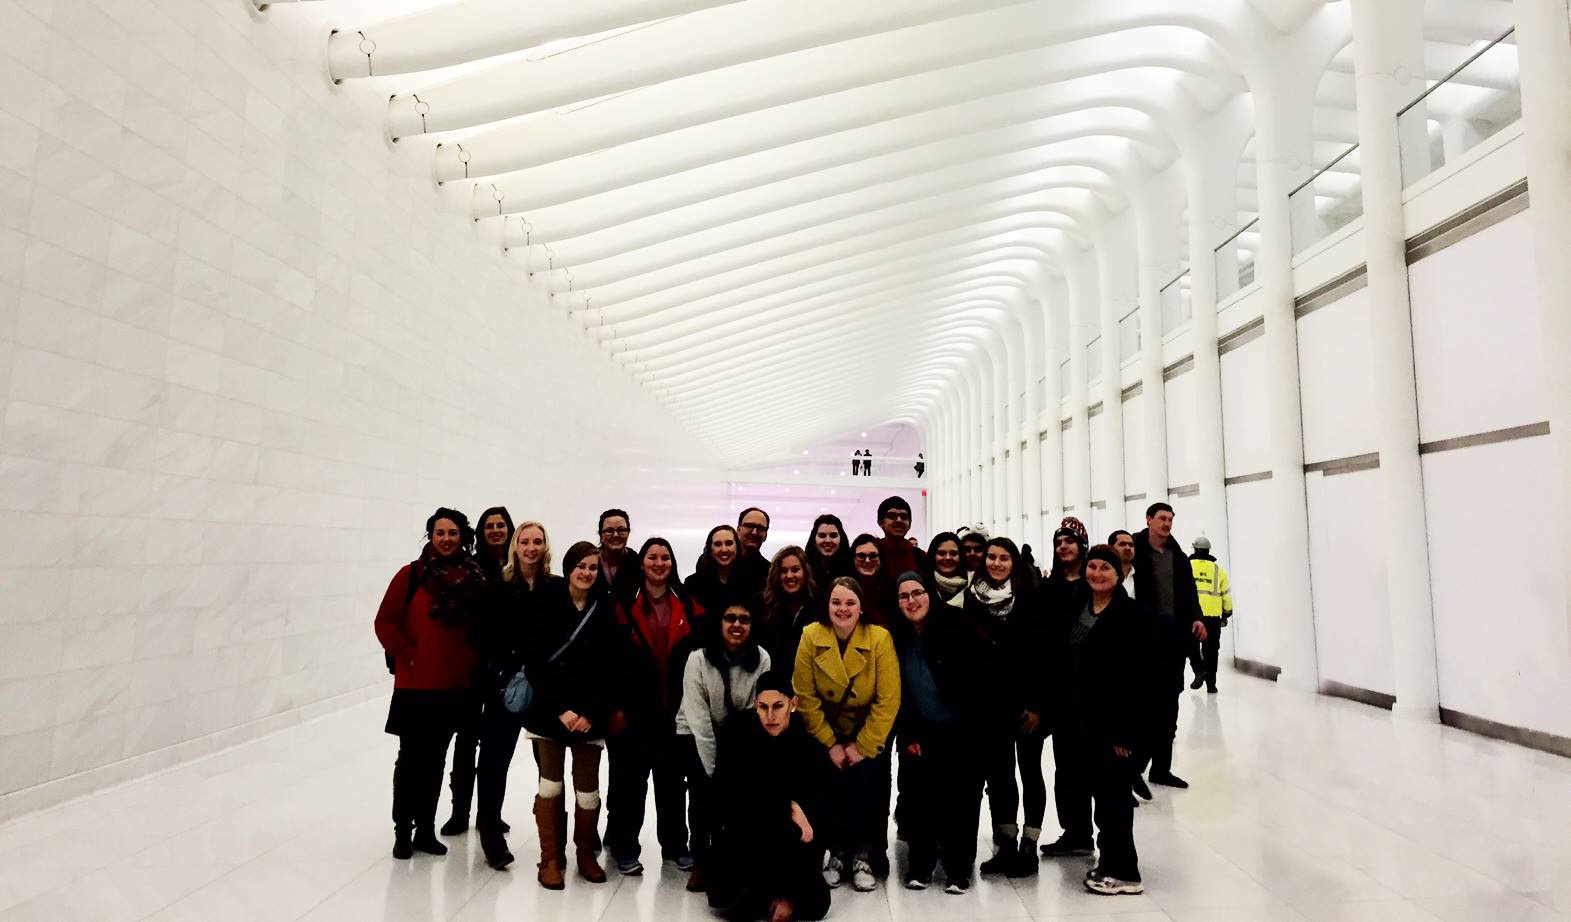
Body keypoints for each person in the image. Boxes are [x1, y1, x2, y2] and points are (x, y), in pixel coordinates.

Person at [1042, 544, 1157, 896]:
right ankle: (1108, 859)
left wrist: (1128, 736)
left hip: (1113, 727)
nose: (1097, 573)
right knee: (1097, 793)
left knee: (1113, 801)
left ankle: (1124, 871)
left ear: (1119, 575)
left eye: (1105, 568)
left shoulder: (1132, 617)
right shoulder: (1081, 607)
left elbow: (1141, 681)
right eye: (1092, 566)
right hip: (1082, 721)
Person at [374, 508, 487, 860]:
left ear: (462, 536)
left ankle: (425, 829)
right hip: (415, 686)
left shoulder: (474, 577)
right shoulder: (410, 575)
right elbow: (385, 622)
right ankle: (402, 831)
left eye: (452, 533)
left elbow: (483, 626)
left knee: (436, 760)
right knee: (410, 759)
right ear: (430, 536)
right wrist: (409, 654)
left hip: (454, 687)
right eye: (440, 533)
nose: (446, 539)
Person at [792, 577, 901, 893]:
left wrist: (862, 746)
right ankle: (837, 853)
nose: (843, 609)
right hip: (825, 730)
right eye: (836, 602)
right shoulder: (811, 636)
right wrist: (830, 744)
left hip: (867, 731)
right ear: (827, 606)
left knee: (868, 790)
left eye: (850, 602)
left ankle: (863, 855)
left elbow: (888, 698)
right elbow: (805, 695)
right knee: (830, 791)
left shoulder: (879, 638)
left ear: (861, 607)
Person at [517, 540, 616, 888]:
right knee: (550, 785)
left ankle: (585, 854)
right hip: (550, 714)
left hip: (589, 717)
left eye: (593, 567)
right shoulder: (546, 603)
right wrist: (561, 709)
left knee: (588, 789)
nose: (586, 573)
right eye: (580, 566)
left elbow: (611, 667)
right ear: (568, 568)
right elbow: (534, 662)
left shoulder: (605, 608)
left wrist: (590, 712)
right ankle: (550, 858)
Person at [706, 671, 834, 922]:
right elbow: (728, 798)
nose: (770, 716)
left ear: (792, 704)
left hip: (790, 847)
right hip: (748, 839)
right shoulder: (738, 737)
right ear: (755, 706)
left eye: (778, 706)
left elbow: (817, 819)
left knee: (818, 902)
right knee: (729, 895)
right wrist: (787, 808)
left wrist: (796, 818)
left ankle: (779, 897)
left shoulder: (809, 749)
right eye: (763, 707)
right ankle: (770, 897)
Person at [953, 537, 1047, 877]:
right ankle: (1006, 843)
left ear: (1014, 563)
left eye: (1003, 558)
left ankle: (1029, 844)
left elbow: (1043, 654)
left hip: (1026, 704)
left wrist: (1037, 704)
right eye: (991, 557)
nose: (995, 563)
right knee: (1001, 775)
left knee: (1030, 771)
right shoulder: (971, 597)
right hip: (990, 704)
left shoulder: (1029, 598)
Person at [607, 537, 699, 874]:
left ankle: (675, 846)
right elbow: (611, 662)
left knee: (672, 784)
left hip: (673, 712)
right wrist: (616, 707)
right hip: (633, 712)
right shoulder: (622, 604)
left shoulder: (687, 604)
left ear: (672, 563)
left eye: (665, 557)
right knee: (629, 784)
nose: (659, 563)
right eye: (652, 557)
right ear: (642, 563)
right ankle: (624, 847)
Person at [890, 571, 986, 894]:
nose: (912, 601)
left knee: (961, 800)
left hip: (962, 730)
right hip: (922, 731)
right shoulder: (897, 636)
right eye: (904, 596)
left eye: (917, 593)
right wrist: (909, 734)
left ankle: (958, 869)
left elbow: (979, 678)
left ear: (930, 594)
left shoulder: (956, 625)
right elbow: (897, 692)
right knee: (921, 800)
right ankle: (921, 865)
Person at [468, 519, 556, 870]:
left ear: (545, 546)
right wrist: (503, 670)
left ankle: (554, 834)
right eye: (525, 541)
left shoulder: (555, 589)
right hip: (504, 688)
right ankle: (490, 833)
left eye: (538, 541)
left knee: (548, 765)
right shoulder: (496, 590)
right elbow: (478, 635)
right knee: (494, 760)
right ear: (515, 547)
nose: (531, 548)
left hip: (544, 690)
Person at [677, 601, 772, 892]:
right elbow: (698, 717)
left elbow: (755, 711)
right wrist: (712, 769)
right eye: (730, 618)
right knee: (702, 795)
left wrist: (732, 760)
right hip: (694, 732)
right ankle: (700, 860)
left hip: (739, 732)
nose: (737, 625)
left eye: (744, 619)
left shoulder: (762, 659)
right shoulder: (698, 659)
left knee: (737, 794)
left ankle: (730, 856)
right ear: (719, 623)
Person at [439, 505, 512, 837]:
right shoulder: (471, 567)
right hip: (473, 666)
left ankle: (489, 813)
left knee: (496, 747)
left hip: (504, 669)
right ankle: (460, 812)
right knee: (467, 741)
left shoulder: (517, 566)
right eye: (489, 525)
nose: (495, 530)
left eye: (501, 525)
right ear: (481, 532)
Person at [1132, 503, 1208, 790]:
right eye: (1162, 518)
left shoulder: (1178, 556)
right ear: (1148, 520)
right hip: (1143, 642)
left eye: (1170, 519)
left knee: (1169, 709)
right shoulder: (1134, 551)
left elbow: (1190, 593)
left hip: (1173, 641)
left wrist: (1197, 618)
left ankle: (1161, 769)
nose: (1167, 523)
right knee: (1144, 709)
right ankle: (1133, 768)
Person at [760, 545, 821, 675]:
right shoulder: (765, 608)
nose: (789, 575)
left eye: (795, 569)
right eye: (783, 571)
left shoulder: (819, 607)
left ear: (805, 571)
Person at [1187, 536, 1233, 694]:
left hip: (1193, 616)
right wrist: (1227, 613)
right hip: (1213, 617)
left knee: (1192, 646)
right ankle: (1211, 685)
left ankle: (1199, 671)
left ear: (1195, 549)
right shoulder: (1219, 570)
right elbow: (1226, 595)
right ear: (1208, 551)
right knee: (1212, 651)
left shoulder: (1187, 566)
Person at [685, 524, 757, 617]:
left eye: (729, 543)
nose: (724, 549)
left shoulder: (753, 580)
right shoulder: (693, 583)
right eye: (718, 544)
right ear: (710, 550)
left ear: (737, 547)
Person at [875, 496, 928, 582]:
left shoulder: (920, 556)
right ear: (881, 523)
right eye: (892, 516)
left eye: (904, 516)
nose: (899, 520)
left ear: (909, 524)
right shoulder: (872, 555)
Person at [594, 508, 640, 601]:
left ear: (628, 533)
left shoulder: (637, 562)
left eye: (621, 530)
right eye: (609, 531)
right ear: (600, 535)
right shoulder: (589, 562)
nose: (615, 535)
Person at [848, 533, 892, 626]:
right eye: (861, 556)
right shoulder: (844, 590)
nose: (867, 560)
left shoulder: (892, 591)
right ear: (852, 559)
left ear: (881, 560)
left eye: (873, 556)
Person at [804, 514, 853, 592]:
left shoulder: (852, 568)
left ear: (841, 540)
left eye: (833, 536)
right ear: (814, 541)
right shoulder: (804, 568)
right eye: (822, 536)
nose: (827, 540)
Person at [735, 507, 773, 597]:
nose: (754, 532)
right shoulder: (714, 563)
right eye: (749, 526)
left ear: (765, 535)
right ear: (738, 529)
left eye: (760, 528)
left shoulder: (771, 573)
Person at [926, 532, 968, 605]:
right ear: (933, 556)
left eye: (953, 553)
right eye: (941, 553)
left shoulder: (973, 585)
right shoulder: (922, 585)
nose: (948, 558)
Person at [1109, 530, 1136, 595]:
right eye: (1122, 544)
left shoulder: (1143, 576)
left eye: (1131, 545)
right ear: (1111, 548)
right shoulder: (1104, 575)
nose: (1128, 548)